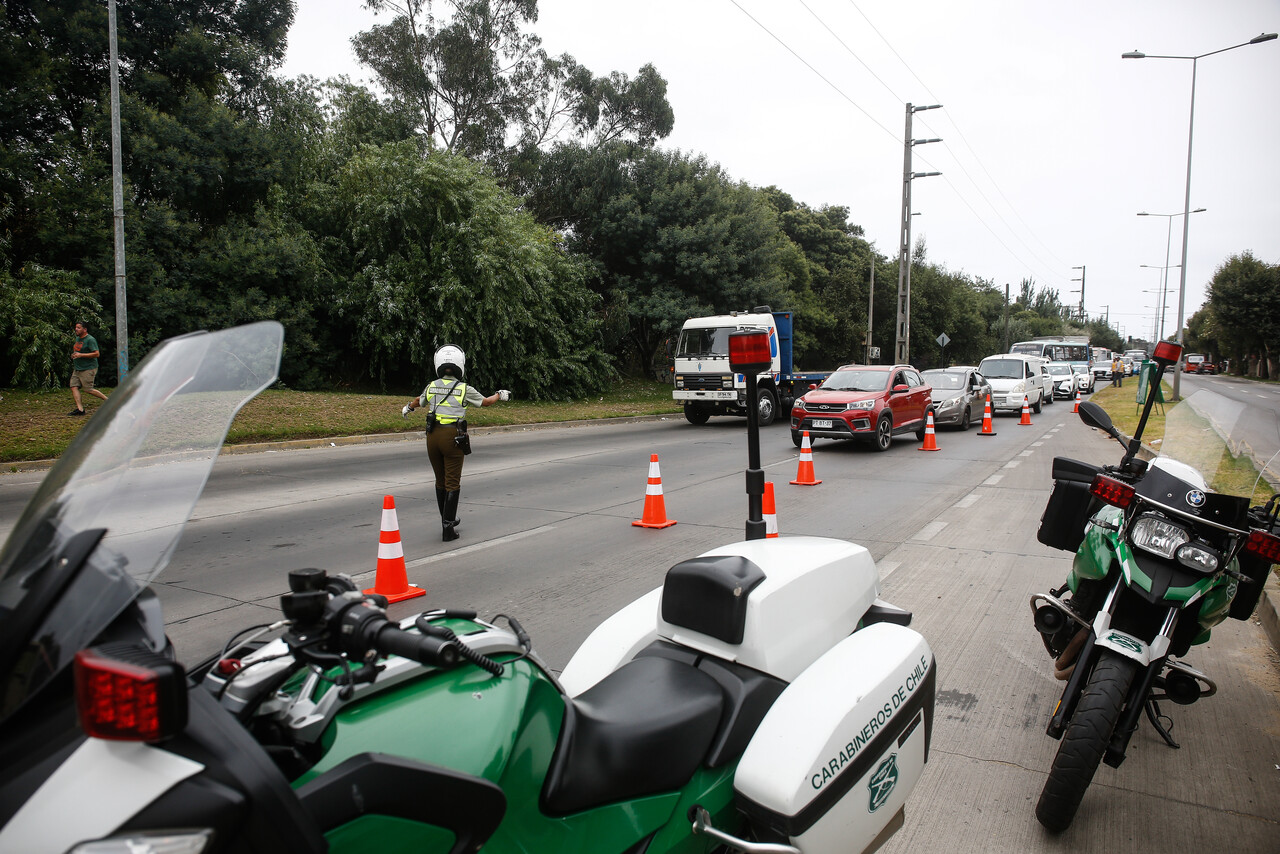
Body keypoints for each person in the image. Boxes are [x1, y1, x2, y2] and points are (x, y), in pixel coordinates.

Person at [404, 344, 511, 541]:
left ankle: (446, 519)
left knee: (439, 480)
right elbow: (486, 402)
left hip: (432, 436)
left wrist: (407, 408)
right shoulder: (464, 388)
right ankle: (448, 528)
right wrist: (500, 395)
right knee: (452, 482)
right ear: (460, 365)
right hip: (453, 437)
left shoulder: (432, 385)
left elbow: (419, 401)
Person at [68, 321, 109, 416]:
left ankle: (109, 401)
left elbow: (96, 354)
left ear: (85, 329)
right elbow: (78, 350)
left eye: (78, 327)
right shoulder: (78, 338)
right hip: (78, 368)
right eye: (76, 327)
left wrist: (81, 355)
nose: (76, 329)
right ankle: (80, 410)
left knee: (88, 389)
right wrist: (75, 355)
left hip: (88, 368)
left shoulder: (90, 340)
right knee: (74, 386)